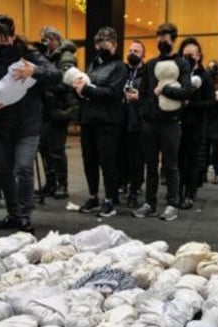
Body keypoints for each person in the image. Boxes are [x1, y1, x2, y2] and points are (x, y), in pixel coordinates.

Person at [0, 13, 60, 232]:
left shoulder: (30, 54)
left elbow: (56, 75)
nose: (0, 42)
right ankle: (14, 213)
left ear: (14, 35)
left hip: (28, 124)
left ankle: (24, 215)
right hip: (0, 126)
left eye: (4, 37)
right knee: (3, 170)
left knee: (24, 168)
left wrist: (35, 70)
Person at [132, 22, 192, 221]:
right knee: (150, 165)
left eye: (165, 38)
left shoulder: (182, 64)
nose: (161, 42)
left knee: (170, 165)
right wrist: (145, 113)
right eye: (159, 38)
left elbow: (186, 92)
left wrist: (164, 90)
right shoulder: (150, 65)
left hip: (171, 122)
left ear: (173, 40)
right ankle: (150, 203)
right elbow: (143, 93)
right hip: (150, 122)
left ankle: (172, 204)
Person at [75, 26, 127, 218]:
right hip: (88, 119)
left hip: (108, 122)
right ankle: (93, 196)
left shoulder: (120, 67)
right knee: (89, 160)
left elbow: (113, 93)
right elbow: (87, 87)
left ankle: (110, 199)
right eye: (98, 43)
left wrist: (87, 90)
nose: (101, 46)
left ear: (114, 44)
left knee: (108, 162)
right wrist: (79, 90)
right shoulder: (93, 64)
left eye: (105, 42)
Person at [38, 26, 77, 200]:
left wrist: (45, 82)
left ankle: (62, 184)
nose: (44, 43)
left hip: (59, 108)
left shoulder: (66, 57)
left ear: (53, 39)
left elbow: (65, 83)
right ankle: (51, 183)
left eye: (45, 40)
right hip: (47, 109)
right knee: (45, 148)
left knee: (56, 150)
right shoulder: (48, 57)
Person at [175, 37, 213, 209]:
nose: (188, 58)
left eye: (191, 55)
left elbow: (211, 102)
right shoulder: (178, 75)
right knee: (178, 159)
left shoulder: (204, 76)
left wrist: (192, 104)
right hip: (177, 123)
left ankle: (189, 193)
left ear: (198, 56)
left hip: (195, 125)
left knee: (192, 160)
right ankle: (178, 191)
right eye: (185, 55)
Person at [122, 40, 146, 209]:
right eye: (130, 50)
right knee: (121, 156)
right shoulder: (122, 71)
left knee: (136, 158)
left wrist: (139, 97)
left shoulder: (146, 73)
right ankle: (122, 184)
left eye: (136, 51)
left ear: (143, 55)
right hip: (120, 120)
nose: (132, 53)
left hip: (138, 121)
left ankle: (134, 190)